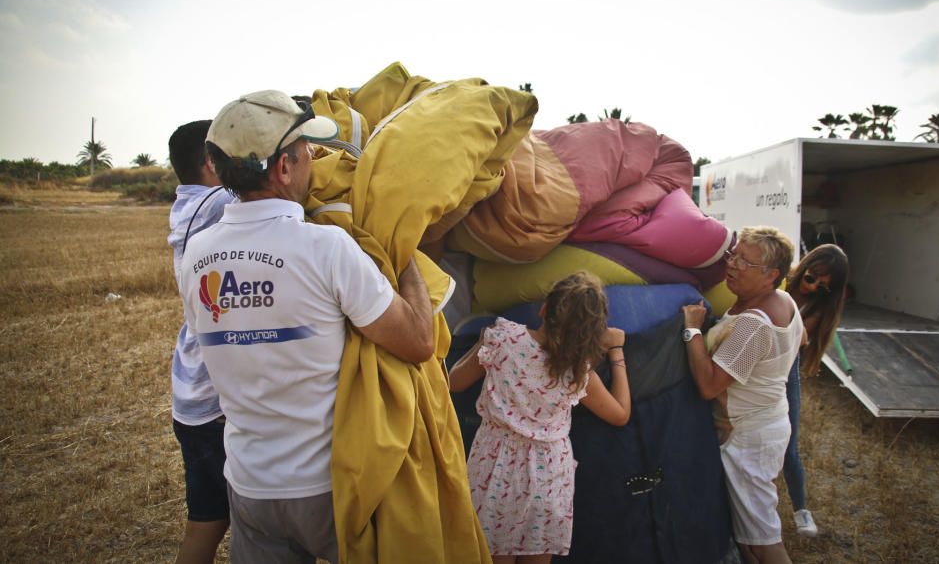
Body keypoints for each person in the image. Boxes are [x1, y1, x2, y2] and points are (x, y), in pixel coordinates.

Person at [178, 90, 435, 563]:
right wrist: (404, 254)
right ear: (282, 169)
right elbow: (419, 341)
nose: (314, 160)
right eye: (306, 151)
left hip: (250, 484)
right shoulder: (327, 249)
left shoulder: (194, 255)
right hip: (330, 486)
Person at [449, 271, 632, 564]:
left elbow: (453, 381)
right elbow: (620, 414)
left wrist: (481, 343)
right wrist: (617, 351)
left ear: (545, 308)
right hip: (548, 477)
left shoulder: (503, 339)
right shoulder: (578, 370)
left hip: (495, 469)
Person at [683, 226, 804, 564]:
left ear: (772, 276)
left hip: (749, 436)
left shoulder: (754, 326)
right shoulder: (785, 301)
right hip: (765, 422)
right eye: (734, 255)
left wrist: (693, 330)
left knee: (763, 540)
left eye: (746, 263)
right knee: (747, 537)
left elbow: (709, 386)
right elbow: (801, 340)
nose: (733, 265)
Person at [167, 119, 237, 564]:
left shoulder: (187, 204)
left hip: (190, 396)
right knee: (256, 525)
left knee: (207, 522)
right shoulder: (217, 202)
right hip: (215, 402)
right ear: (213, 162)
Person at [782, 244, 849, 538]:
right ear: (803, 269)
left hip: (785, 371)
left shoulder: (820, 307)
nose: (814, 288)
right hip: (749, 360)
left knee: (789, 444)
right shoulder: (779, 279)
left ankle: (800, 510)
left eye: (824, 287)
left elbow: (798, 340)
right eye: (811, 278)